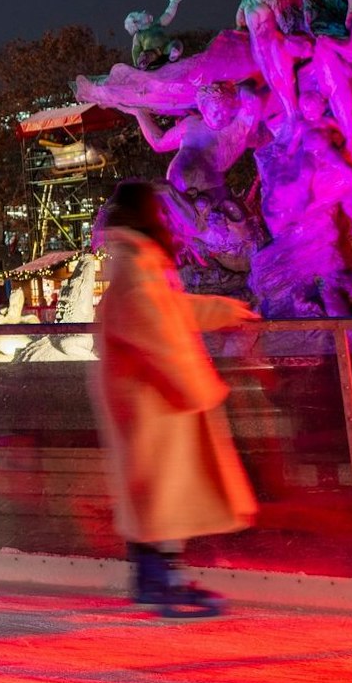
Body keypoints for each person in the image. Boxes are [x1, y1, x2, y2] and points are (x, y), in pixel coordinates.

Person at [91, 181, 259, 618]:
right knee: (160, 491)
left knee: (159, 491)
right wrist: (195, 385)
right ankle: (158, 580)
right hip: (154, 396)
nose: (169, 218)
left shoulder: (137, 261)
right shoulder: (133, 265)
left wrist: (222, 310)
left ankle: (155, 578)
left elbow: (168, 310)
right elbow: (151, 322)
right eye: (162, 211)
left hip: (152, 396)